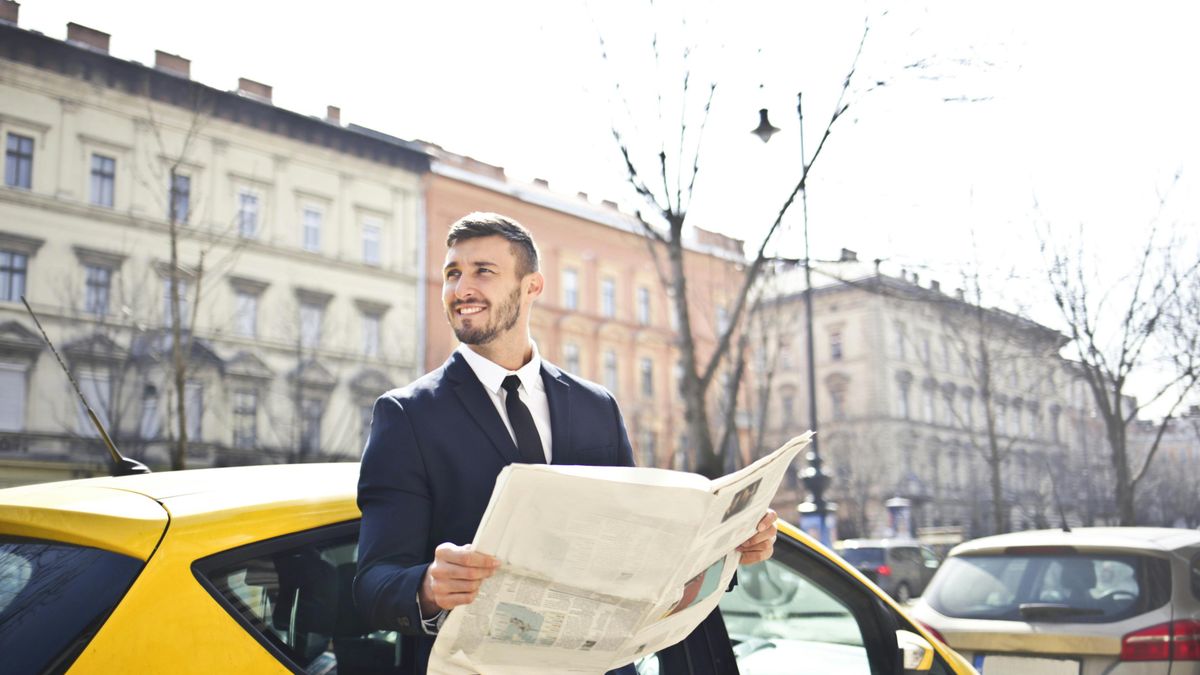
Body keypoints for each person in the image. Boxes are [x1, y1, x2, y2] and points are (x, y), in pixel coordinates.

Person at [354, 212, 777, 674]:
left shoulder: (598, 407)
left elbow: (640, 552)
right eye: (452, 273)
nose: (462, 289)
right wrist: (428, 588)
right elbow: (373, 583)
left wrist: (730, 547)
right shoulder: (407, 415)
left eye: (483, 272)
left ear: (532, 286)